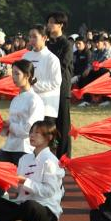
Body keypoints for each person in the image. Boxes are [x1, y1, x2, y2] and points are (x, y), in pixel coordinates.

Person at [0, 119, 64, 221]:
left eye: (37, 133)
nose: (32, 135)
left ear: (49, 137)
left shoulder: (51, 161)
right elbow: (18, 190)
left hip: (45, 211)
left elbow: (49, 191)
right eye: (31, 132)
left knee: (30, 206)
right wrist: (5, 179)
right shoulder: (24, 159)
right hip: (22, 206)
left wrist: (25, 181)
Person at [0, 59, 45, 168]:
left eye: (17, 74)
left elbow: (30, 130)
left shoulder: (35, 100)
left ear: (27, 75)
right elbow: (12, 123)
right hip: (10, 147)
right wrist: (3, 125)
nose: (13, 77)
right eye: (13, 73)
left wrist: (10, 125)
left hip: (25, 150)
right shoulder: (16, 99)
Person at [45, 12, 74, 156]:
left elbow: (62, 65)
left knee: (63, 125)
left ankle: (64, 157)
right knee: (48, 123)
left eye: (52, 22)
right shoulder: (46, 44)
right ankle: (48, 154)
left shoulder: (67, 44)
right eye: (48, 22)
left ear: (61, 25)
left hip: (62, 88)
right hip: (47, 89)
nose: (49, 25)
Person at [23, 25, 62, 125]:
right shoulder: (26, 57)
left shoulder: (52, 59)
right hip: (28, 103)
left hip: (46, 106)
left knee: (43, 134)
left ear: (44, 38)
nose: (31, 39)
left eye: (34, 37)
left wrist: (34, 85)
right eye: (30, 37)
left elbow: (56, 82)